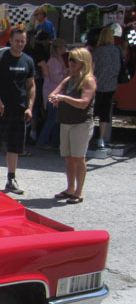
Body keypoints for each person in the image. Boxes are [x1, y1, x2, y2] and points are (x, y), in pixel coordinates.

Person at [0, 27, 36, 194]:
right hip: (1, 110)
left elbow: (31, 85)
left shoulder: (28, 61)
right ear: (10, 40)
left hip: (19, 110)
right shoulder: (0, 58)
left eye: (22, 41)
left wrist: (30, 107)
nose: (19, 44)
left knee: (15, 147)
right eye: (17, 40)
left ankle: (11, 179)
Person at [49, 47, 96, 204]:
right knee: (68, 158)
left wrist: (63, 98)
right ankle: (70, 188)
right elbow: (53, 94)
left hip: (81, 124)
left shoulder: (88, 80)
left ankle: (78, 192)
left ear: (83, 62)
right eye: (69, 59)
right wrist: (54, 98)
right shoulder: (69, 79)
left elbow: (83, 103)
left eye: (74, 60)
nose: (71, 63)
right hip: (66, 122)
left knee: (78, 158)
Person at [91, 26, 124, 149]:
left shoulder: (96, 51)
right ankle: (101, 138)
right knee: (105, 114)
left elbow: (92, 68)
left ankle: (89, 136)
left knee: (92, 112)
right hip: (111, 85)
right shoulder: (117, 50)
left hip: (96, 85)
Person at [36, 38, 69, 148]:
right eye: (64, 46)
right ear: (59, 48)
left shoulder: (58, 59)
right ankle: (42, 141)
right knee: (52, 118)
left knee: (56, 119)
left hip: (56, 92)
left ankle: (54, 141)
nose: (66, 48)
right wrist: (67, 75)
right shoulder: (54, 61)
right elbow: (56, 78)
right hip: (52, 92)